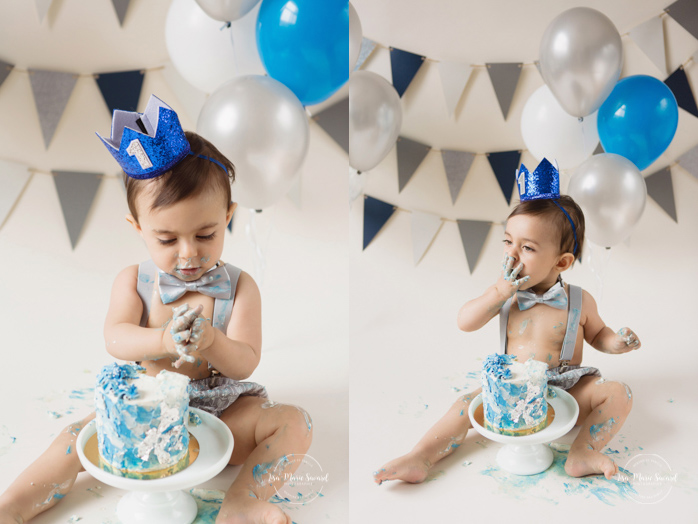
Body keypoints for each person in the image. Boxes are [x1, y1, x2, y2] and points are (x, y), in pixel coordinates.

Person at [0, 95, 312, 524]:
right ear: (138, 228)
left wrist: (214, 341)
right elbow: (116, 337)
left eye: (206, 234)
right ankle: (14, 505)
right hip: (142, 411)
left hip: (219, 414)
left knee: (295, 422)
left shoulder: (240, 288)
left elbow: (245, 362)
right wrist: (162, 340)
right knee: (74, 437)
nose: (188, 254)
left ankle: (241, 503)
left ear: (229, 216)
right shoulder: (134, 281)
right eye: (167, 240)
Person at [373, 158, 640, 485]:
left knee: (618, 393)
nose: (512, 254)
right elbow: (465, 321)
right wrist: (496, 294)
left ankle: (583, 451)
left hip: (564, 388)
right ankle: (421, 456)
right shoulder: (504, 294)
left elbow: (598, 333)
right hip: (511, 387)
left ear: (562, 261)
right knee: (464, 405)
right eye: (508, 241)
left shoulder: (579, 300)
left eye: (526, 247)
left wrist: (616, 343)